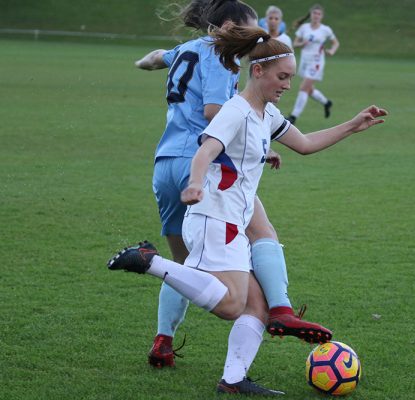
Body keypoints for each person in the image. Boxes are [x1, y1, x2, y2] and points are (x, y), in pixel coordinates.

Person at [108, 22, 387, 395]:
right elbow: (207, 148)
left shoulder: (266, 114)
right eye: (282, 76)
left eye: (291, 78)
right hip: (213, 217)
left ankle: (233, 381)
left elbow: (303, 143)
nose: (287, 84)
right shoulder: (236, 110)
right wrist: (194, 182)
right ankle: (150, 262)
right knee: (231, 304)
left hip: (232, 222)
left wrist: (353, 125)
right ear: (258, 71)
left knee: (257, 306)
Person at [136, 0, 332, 381]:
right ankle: (279, 307)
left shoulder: (186, 49)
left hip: (165, 163)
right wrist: (255, 132)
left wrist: (142, 64)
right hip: (205, 162)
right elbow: (215, 112)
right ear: (228, 27)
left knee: (185, 266)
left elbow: (156, 57)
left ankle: (163, 339)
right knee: (262, 231)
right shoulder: (218, 57)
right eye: (248, 28)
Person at [287, 4, 339, 125]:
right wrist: (301, 44)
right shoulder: (304, 28)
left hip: (317, 62)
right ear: (310, 15)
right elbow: (294, 44)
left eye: (319, 14)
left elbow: (336, 43)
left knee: (303, 87)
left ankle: (293, 116)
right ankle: (326, 103)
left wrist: (332, 51)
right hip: (305, 60)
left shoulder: (325, 29)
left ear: (322, 16)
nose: (316, 16)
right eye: (314, 13)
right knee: (309, 89)